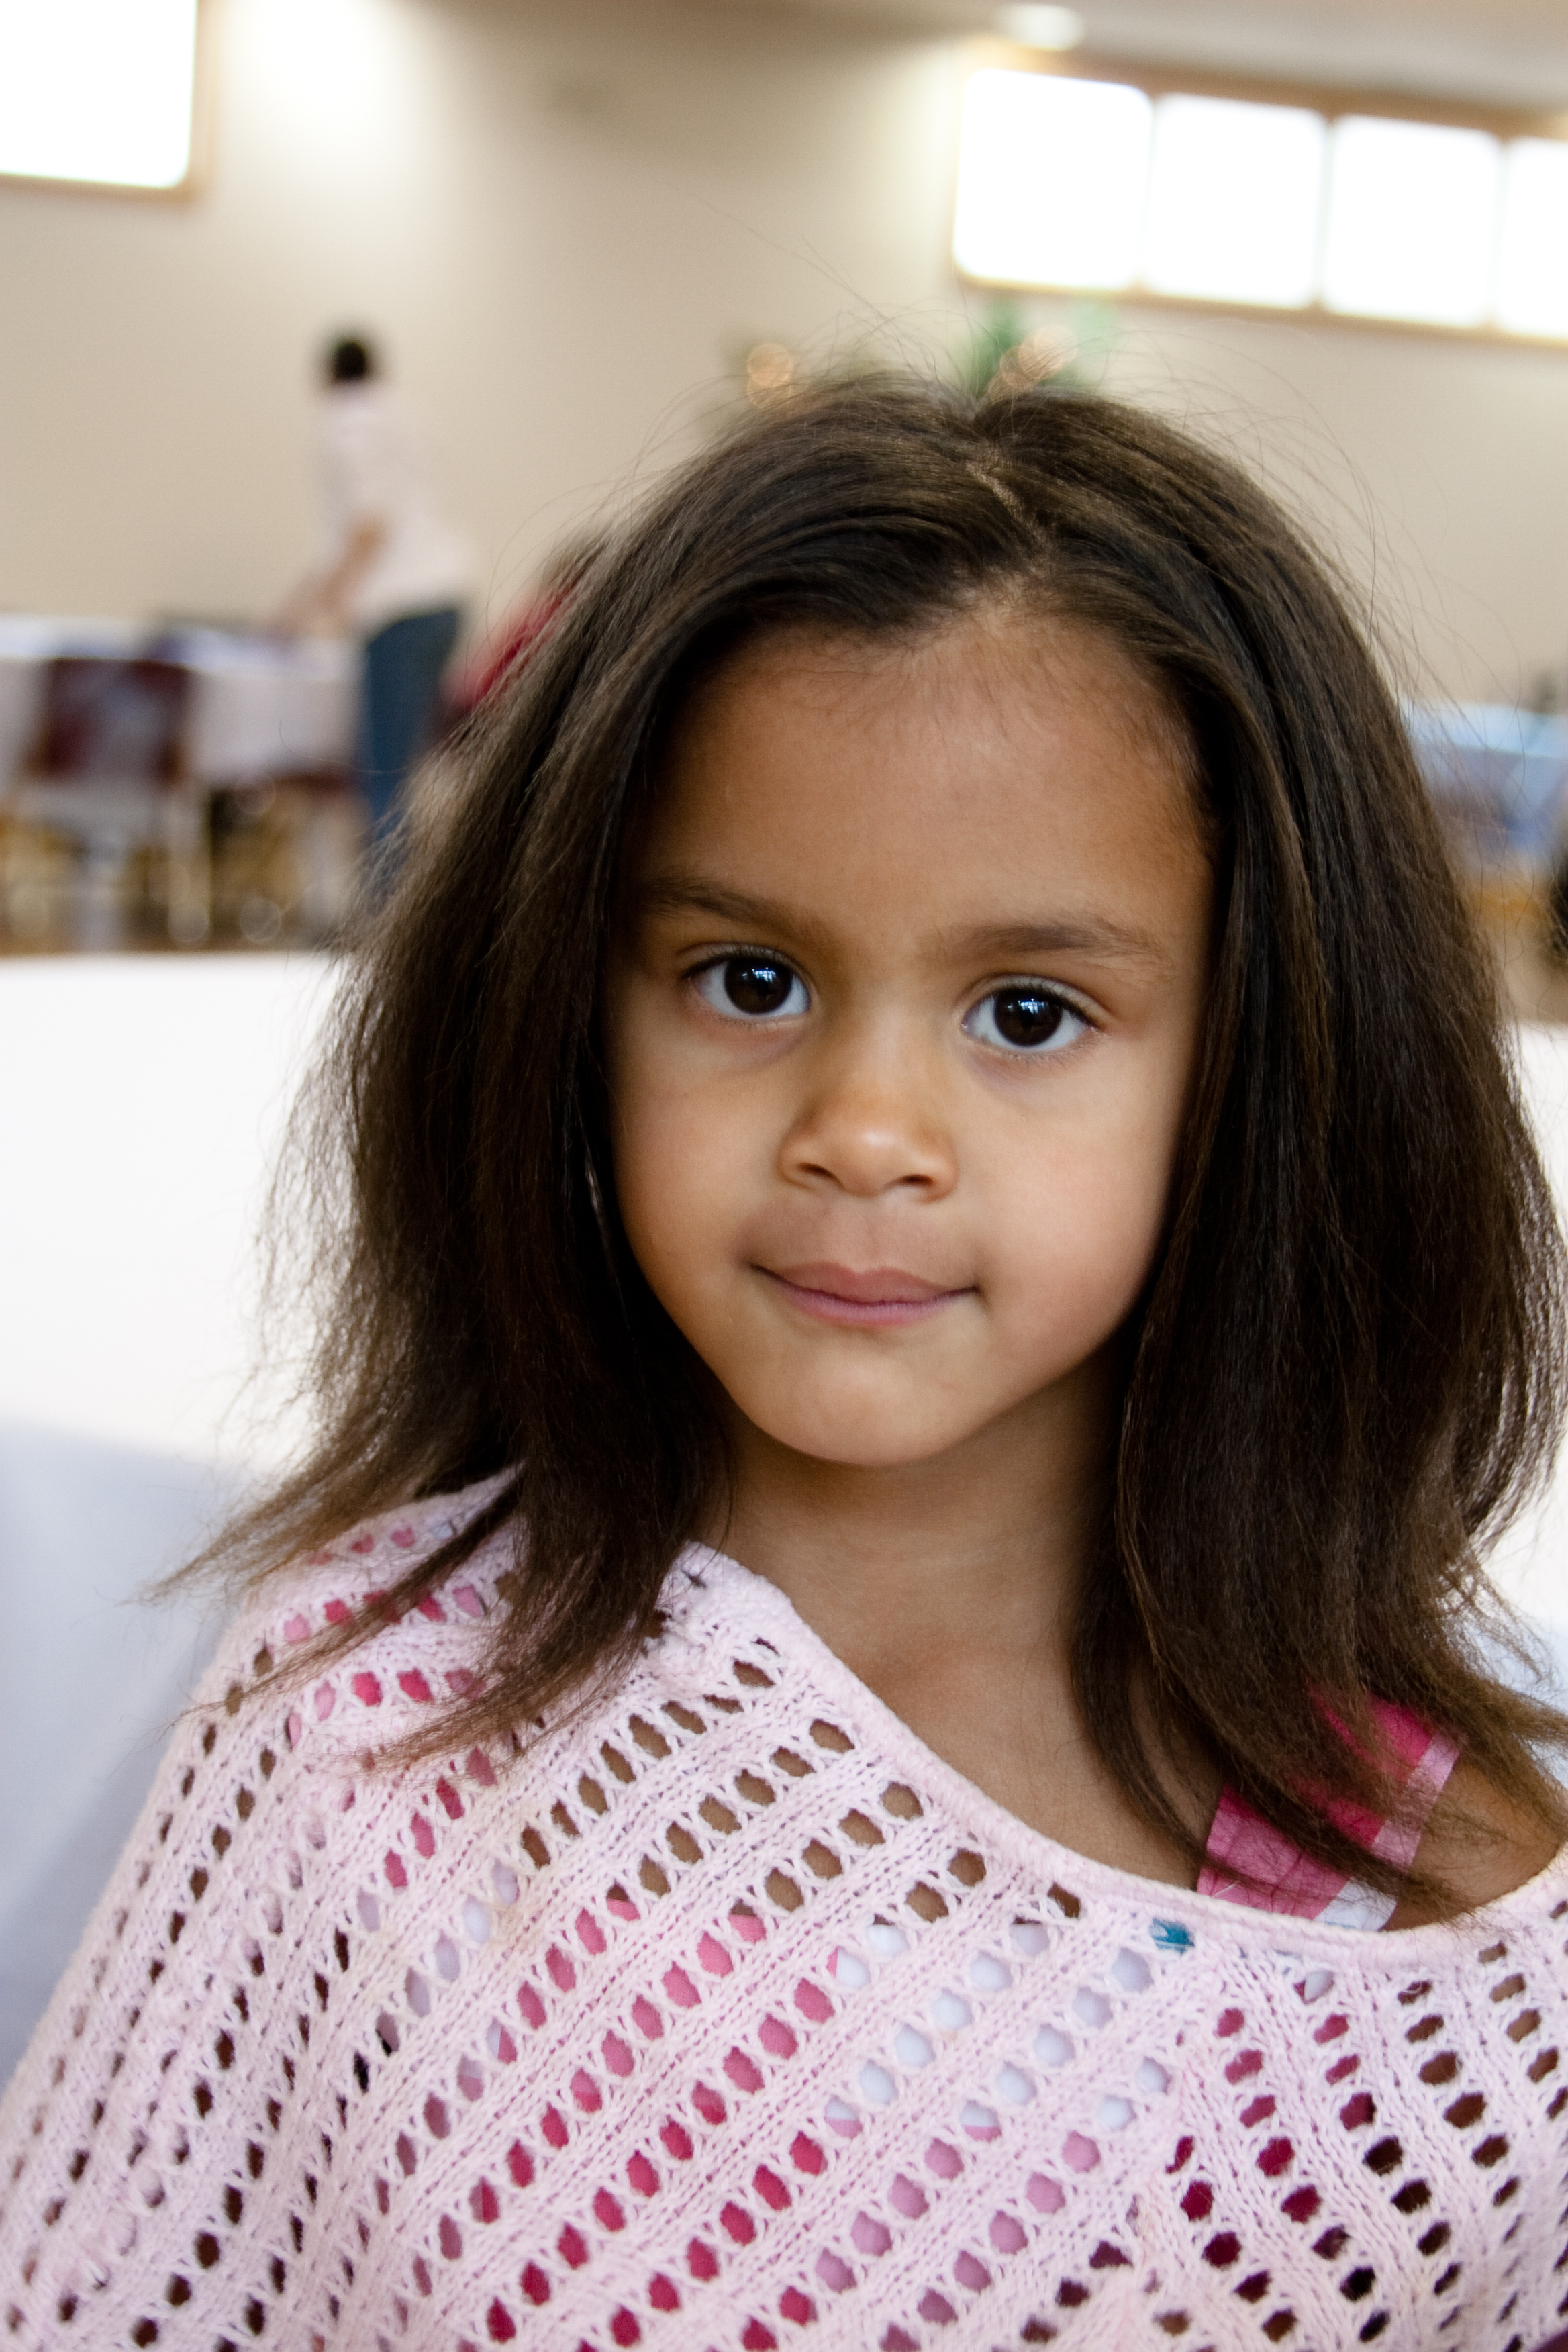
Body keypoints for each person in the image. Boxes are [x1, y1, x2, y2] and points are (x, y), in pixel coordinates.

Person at [4, 379, 1568, 2349]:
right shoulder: (367, 1716)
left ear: (1260, 1066)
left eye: (1025, 1010)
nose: (863, 1130)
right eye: (748, 980)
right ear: (568, 1016)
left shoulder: (1448, 1919)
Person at [276, 333, 473, 866]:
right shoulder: (406, 416)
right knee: (404, 769)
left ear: (327, 376)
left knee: (381, 774)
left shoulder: (346, 423)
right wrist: (301, 603)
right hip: (445, 603)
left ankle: (386, 907)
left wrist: (330, 601)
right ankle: (404, 896)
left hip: (400, 612)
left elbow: (368, 526)